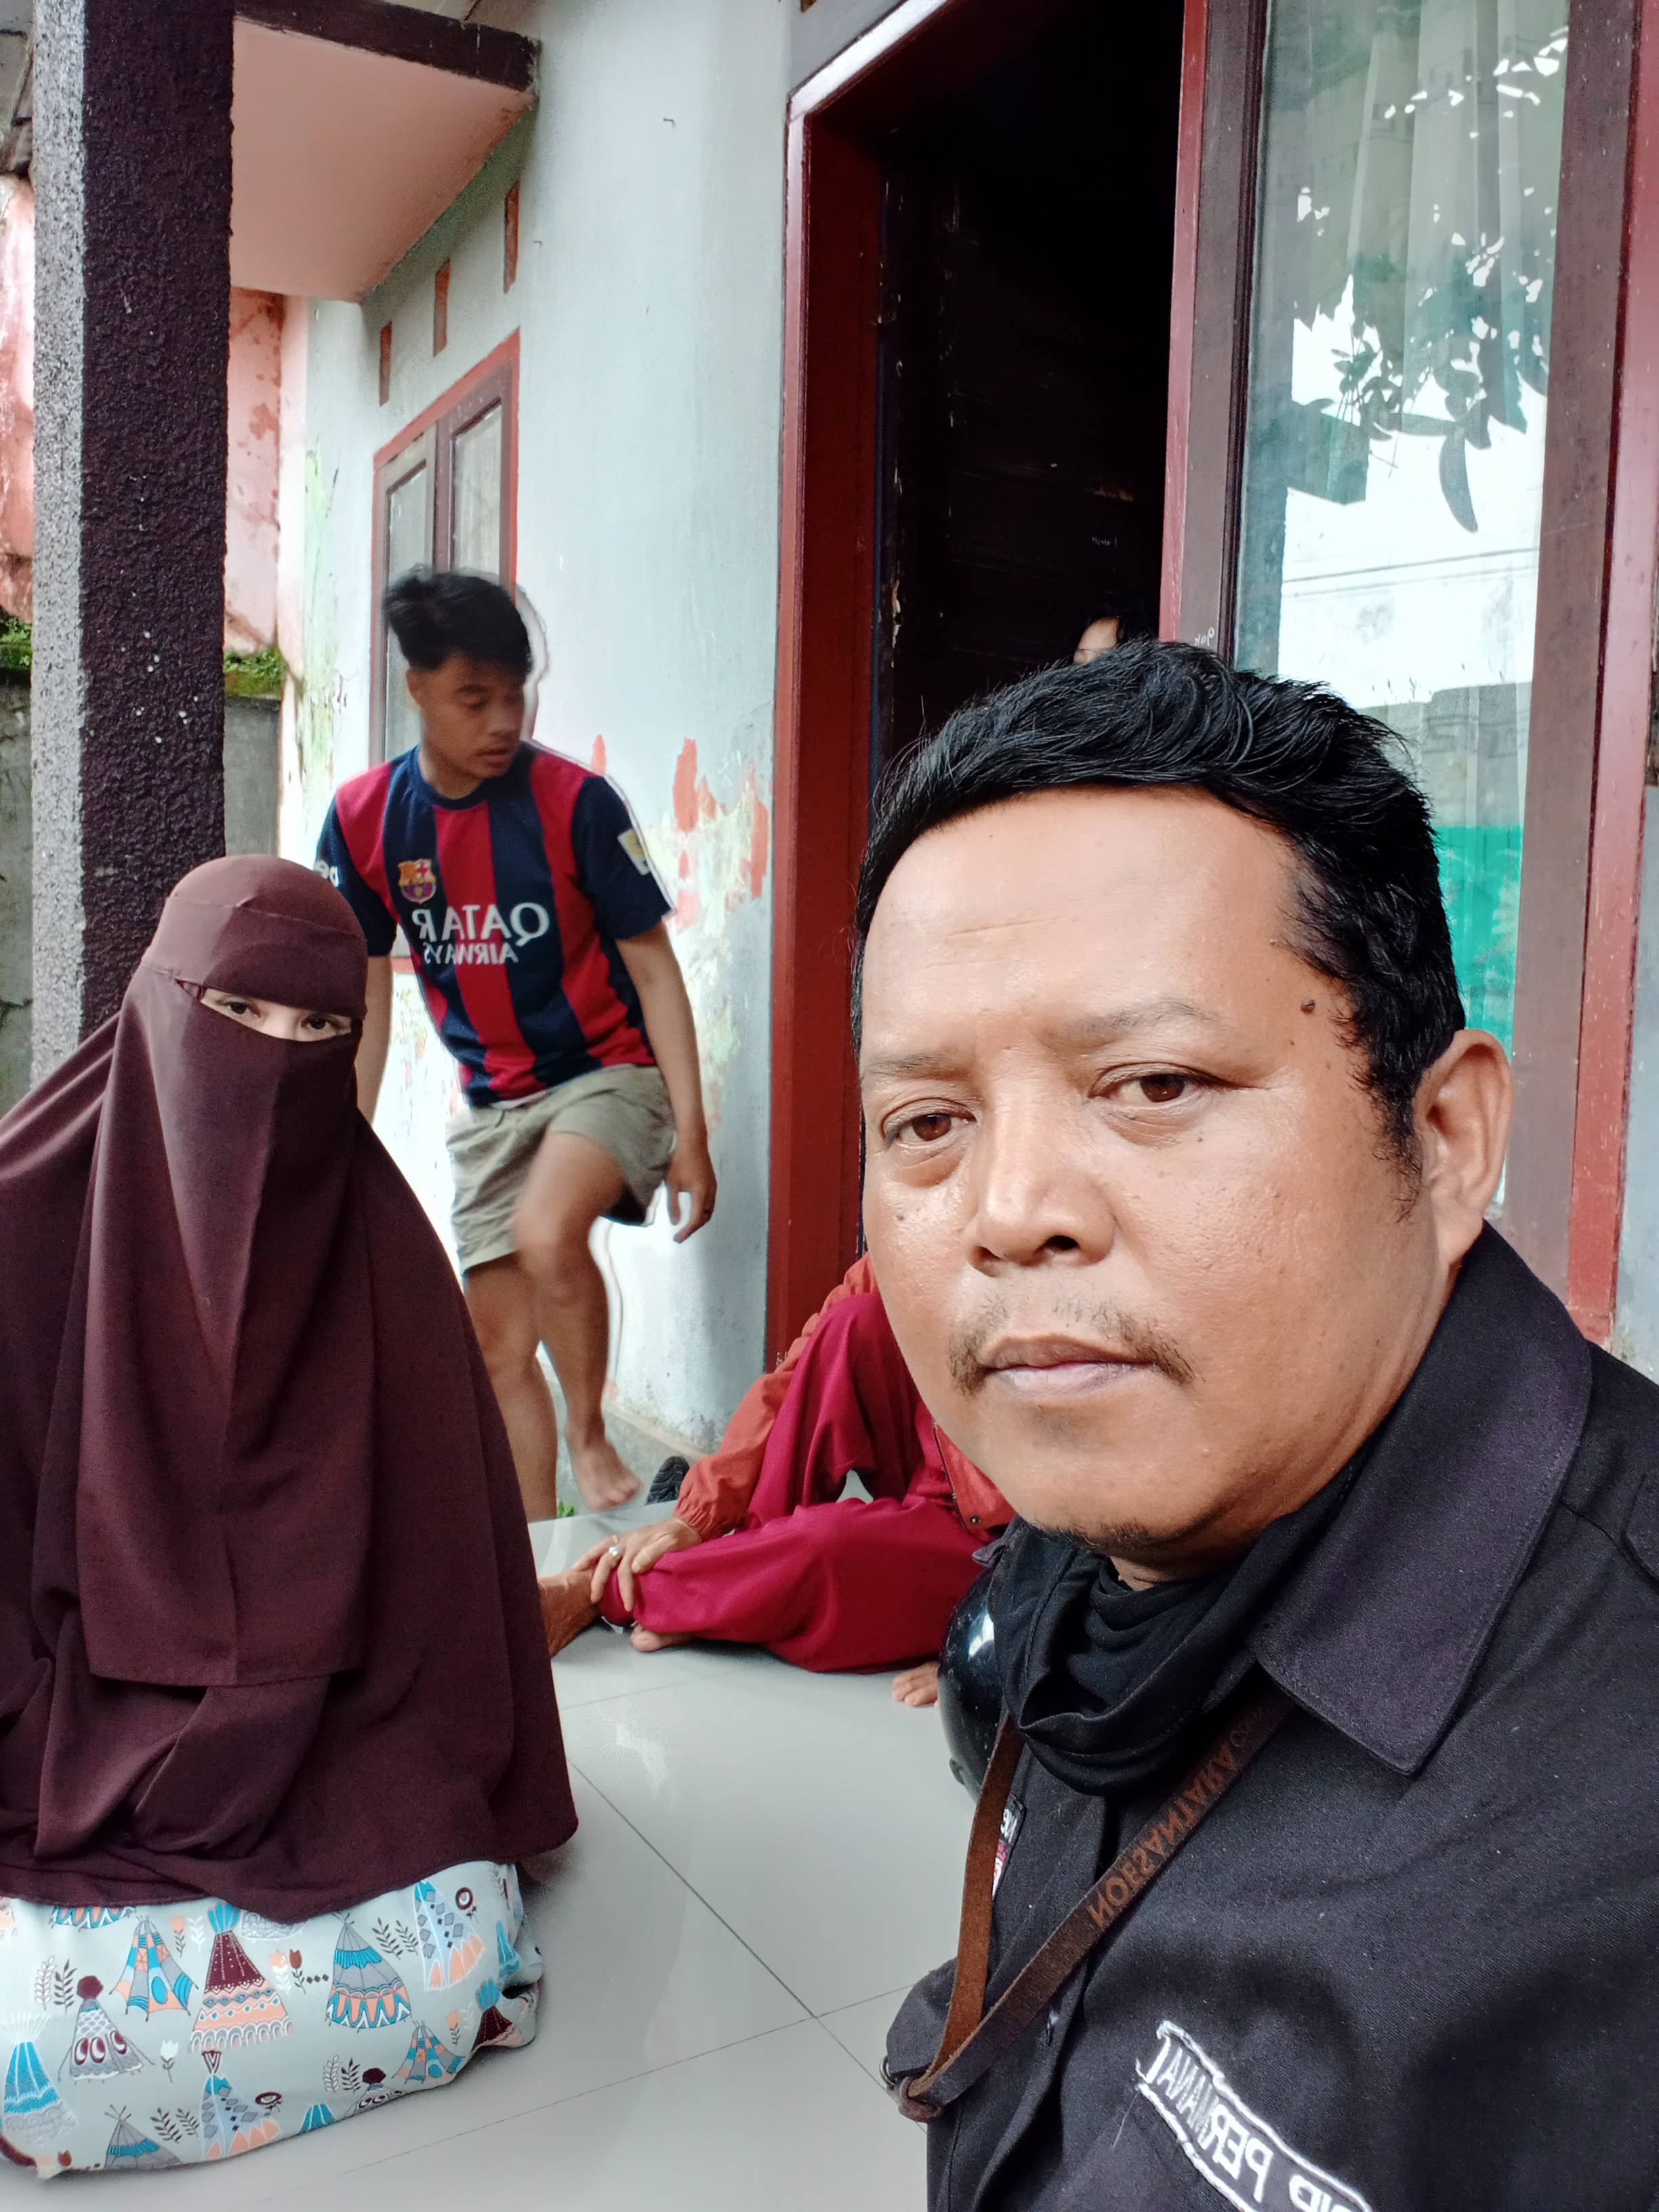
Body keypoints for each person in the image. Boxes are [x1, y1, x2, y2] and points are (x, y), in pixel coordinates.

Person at [869, 644, 1659, 2208]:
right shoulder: (1099, 1528)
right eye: (928, 1122)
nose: (1009, 1210)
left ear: (1443, 1137)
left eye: (1154, 1083)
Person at [0, 857, 575, 2175]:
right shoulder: (23, 1221)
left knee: (455, 1961)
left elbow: (447, 1628)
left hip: (332, 1747)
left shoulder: (389, 1265)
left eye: (319, 1028)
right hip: (60, 1738)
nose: (274, 1062)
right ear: (160, 999)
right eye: (239, 1012)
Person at [316, 569, 716, 1518]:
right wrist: (343, 1147)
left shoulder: (577, 804)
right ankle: (535, 1563)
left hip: (609, 1076)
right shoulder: (368, 821)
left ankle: (589, 1430)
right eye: (475, 698)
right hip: (494, 1106)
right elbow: (363, 1002)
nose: (504, 720)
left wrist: (692, 1134)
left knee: (546, 1231)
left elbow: (656, 971)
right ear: (418, 689)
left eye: (516, 694)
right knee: (495, 1350)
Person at [538, 1255, 1010, 1692]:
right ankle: (736, 1584)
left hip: (1006, 1550)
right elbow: (794, 1379)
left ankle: (612, 1593)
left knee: (825, 1547)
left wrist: (1003, 1650)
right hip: (936, 1477)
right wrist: (697, 1516)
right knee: (851, 1323)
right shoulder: (923, 1229)